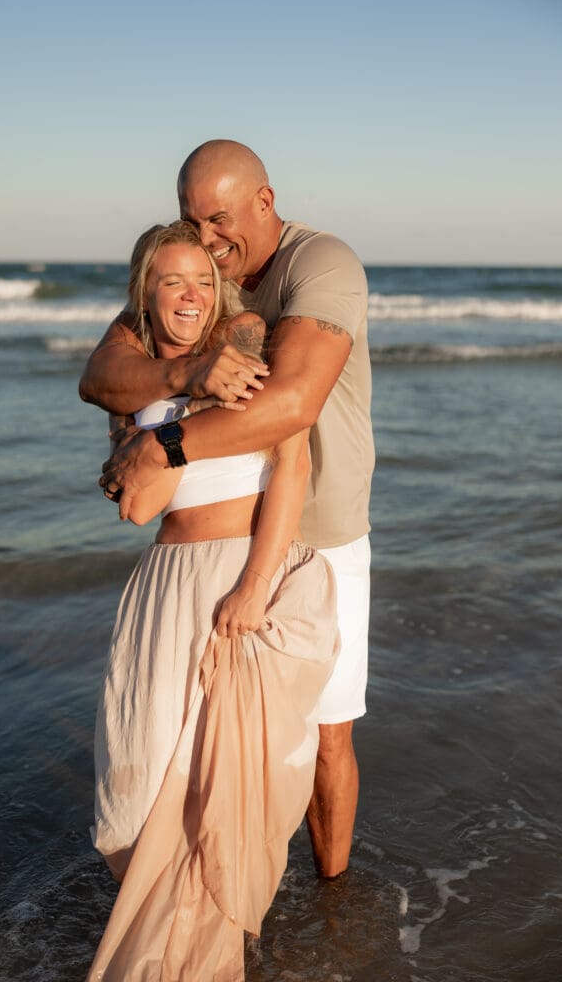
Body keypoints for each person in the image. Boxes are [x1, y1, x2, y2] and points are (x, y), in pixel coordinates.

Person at [80, 140, 375, 879]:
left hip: (323, 534)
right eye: (191, 220)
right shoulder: (196, 276)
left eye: (218, 220)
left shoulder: (322, 264)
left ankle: (332, 900)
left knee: (321, 736)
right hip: (227, 533)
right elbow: (103, 371)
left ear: (263, 203)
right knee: (208, 742)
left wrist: (162, 448)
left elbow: (289, 405)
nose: (207, 241)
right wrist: (183, 370)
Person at [88, 220, 339, 980]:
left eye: (202, 280)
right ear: (146, 294)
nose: (190, 296)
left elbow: (290, 467)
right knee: (131, 804)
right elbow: (135, 507)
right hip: (164, 589)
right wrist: (183, 392)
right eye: (172, 282)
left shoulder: (250, 352)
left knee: (225, 796)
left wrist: (255, 587)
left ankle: (200, 962)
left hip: (242, 575)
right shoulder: (132, 380)